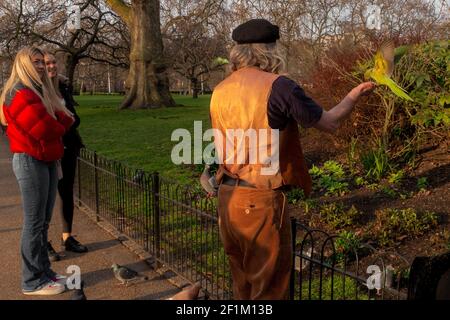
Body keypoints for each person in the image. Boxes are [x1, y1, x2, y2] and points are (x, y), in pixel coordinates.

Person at [209, 19, 375, 300]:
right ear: (270, 50)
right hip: (259, 201)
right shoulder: (279, 86)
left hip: (227, 198)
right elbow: (330, 123)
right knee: (270, 290)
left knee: (243, 286)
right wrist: (353, 95)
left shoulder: (220, 89)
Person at [0, 46, 74, 295]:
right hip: (30, 161)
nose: (42, 66)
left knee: (43, 222)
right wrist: (63, 120)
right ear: (23, 64)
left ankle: (44, 273)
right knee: (34, 223)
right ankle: (31, 281)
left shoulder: (36, 90)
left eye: (43, 62)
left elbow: (56, 120)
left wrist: (59, 118)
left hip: (46, 160)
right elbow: (46, 129)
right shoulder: (19, 93)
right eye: (36, 62)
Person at [44, 52, 88, 260]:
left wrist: (67, 120)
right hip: (49, 149)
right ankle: (43, 242)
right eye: (46, 63)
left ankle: (67, 237)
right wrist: (66, 121)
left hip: (69, 146)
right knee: (45, 197)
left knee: (66, 192)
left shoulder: (63, 87)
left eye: (54, 62)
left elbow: (75, 117)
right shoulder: (38, 89)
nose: (51, 66)